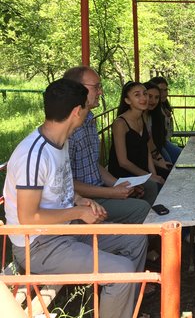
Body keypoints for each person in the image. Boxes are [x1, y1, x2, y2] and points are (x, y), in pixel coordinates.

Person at [3, 79, 148, 318]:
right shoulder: (34, 154)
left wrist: (80, 200)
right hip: (38, 245)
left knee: (136, 240)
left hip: (64, 230)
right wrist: (78, 212)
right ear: (76, 112)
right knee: (121, 270)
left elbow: (59, 188)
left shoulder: (60, 142)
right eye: (86, 106)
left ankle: (123, 308)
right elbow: (28, 217)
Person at [64, 67, 158, 224]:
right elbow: (67, 184)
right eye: (96, 87)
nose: (100, 92)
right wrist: (111, 192)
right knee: (141, 208)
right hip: (84, 200)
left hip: (100, 188)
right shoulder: (68, 130)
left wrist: (118, 186)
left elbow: (93, 165)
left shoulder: (89, 120)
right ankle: (146, 240)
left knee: (149, 186)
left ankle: (147, 242)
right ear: (78, 89)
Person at [108, 81, 168, 187]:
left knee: (171, 176)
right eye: (137, 95)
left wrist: (153, 173)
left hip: (141, 169)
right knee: (155, 184)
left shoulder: (141, 117)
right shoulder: (120, 123)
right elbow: (123, 162)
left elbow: (146, 150)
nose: (144, 98)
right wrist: (149, 176)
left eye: (145, 94)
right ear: (127, 100)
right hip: (124, 174)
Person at [149, 76, 182, 164]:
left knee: (182, 156)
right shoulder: (151, 109)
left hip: (163, 142)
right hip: (158, 144)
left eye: (166, 90)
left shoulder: (162, 106)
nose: (163, 93)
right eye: (160, 90)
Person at [144, 81, 173, 173]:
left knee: (169, 166)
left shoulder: (153, 114)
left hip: (158, 147)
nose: (153, 101)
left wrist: (160, 160)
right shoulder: (127, 120)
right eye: (149, 96)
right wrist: (158, 163)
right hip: (141, 161)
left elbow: (151, 143)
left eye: (156, 97)